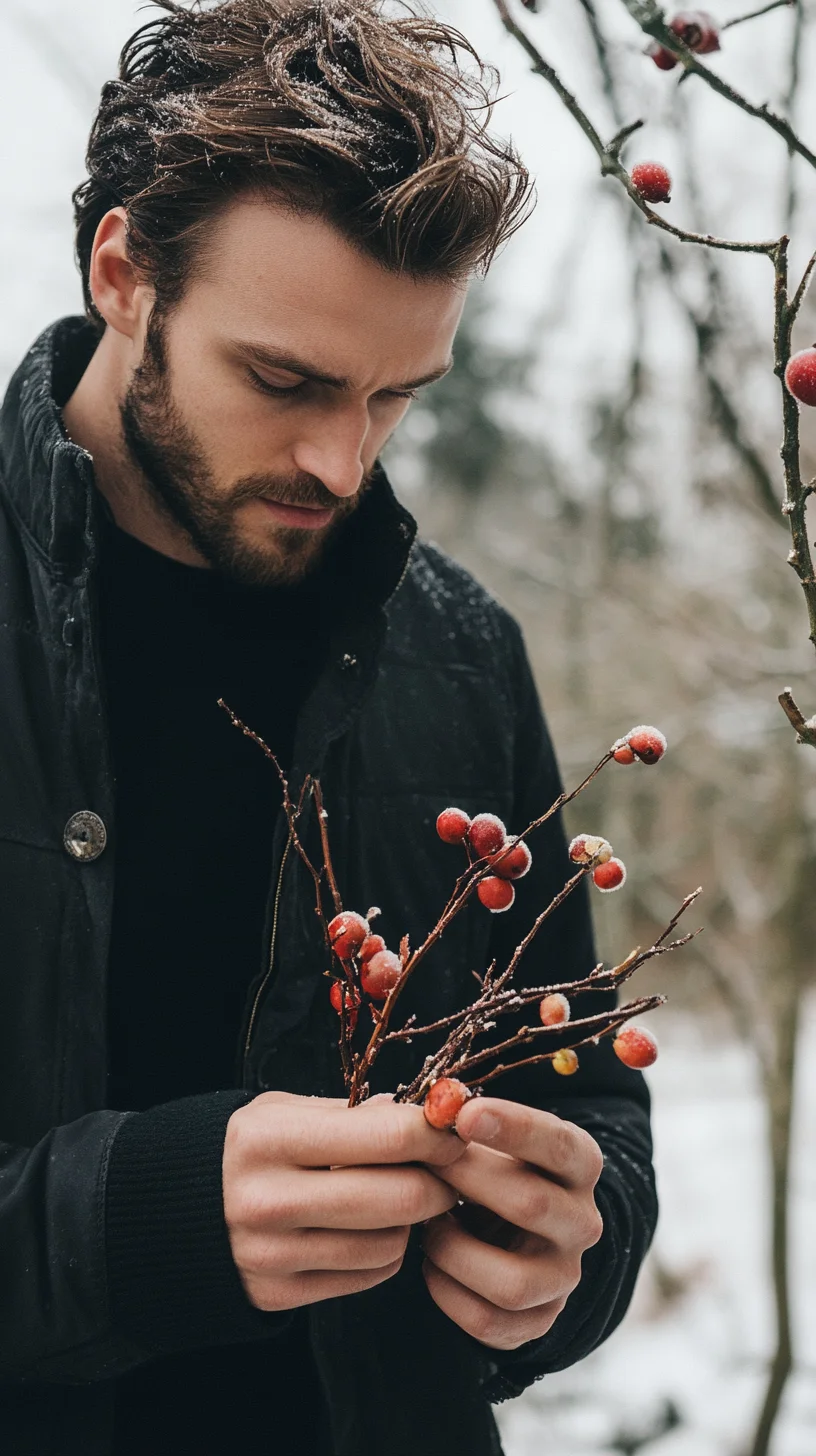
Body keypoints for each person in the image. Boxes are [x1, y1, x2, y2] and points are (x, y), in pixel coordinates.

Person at [0, 2, 657, 1453]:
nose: (340, 460)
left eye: (396, 399)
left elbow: (585, 1088)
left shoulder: (464, 651)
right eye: (285, 381)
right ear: (124, 274)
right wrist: (129, 1223)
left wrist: (574, 1250)